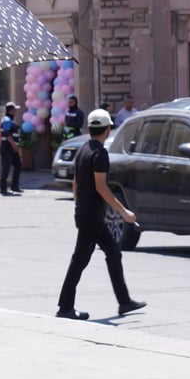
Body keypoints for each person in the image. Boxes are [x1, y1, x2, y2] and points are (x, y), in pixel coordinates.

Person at [56, 108, 146, 321]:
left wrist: (79, 207)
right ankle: (65, 306)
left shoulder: (84, 149)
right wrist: (123, 211)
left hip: (88, 214)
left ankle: (124, 302)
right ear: (107, 130)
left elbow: (76, 184)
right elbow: (101, 187)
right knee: (79, 260)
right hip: (92, 216)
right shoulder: (99, 154)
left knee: (113, 252)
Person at [0, 101, 23, 196]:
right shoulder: (6, 120)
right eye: (14, 110)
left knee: (18, 165)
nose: (16, 111)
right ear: (10, 110)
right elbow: (7, 133)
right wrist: (14, 145)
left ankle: (14, 186)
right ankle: (3, 188)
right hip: (7, 147)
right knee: (6, 167)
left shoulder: (11, 120)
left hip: (12, 148)